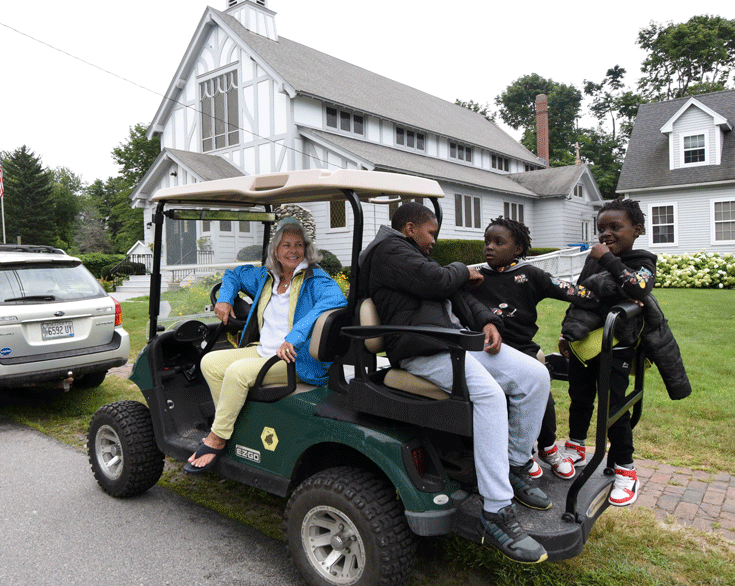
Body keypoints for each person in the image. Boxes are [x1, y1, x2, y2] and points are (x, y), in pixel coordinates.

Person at [359, 202, 551, 564]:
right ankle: (495, 509)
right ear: (412, 227)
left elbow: (456, 294)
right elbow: (441, 281)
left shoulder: (412, 252)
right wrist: (462, 269)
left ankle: (513, 463)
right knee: (490, 396)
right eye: (432, 232)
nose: (435, 240)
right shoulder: (388, 250)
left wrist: (486, 322)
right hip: (423, 348)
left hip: (456, 340)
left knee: (536, 376)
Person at [185, 217, 347, 473]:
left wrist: (294, 337)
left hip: (296, 358)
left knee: (237, 373)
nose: (293, 250)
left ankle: (217, 438)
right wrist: (226, 298)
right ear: (276, 250)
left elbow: (335, 300)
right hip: (264, 350)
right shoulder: (267, 276)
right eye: (286, 245)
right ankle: (229, 425)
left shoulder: (316, 279)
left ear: (306, 249)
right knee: (210, 362)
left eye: (298, 245)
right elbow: (234, 274)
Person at [558, 197, 689, 506]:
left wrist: (607, 260)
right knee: (579, 398)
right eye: (601, 228)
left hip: (616, 347)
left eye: (615, 227)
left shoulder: (643, 261)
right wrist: (566, 332)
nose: (606, 234)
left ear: (637, 230)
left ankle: (625, 470)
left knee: (613, 409)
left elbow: (638, 287)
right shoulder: (596, 259)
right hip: (583, 344)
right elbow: (580, 296)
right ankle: (576, 447)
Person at [476, 216, 599, 480]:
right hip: (490, 354)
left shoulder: (530, 275)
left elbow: (572, 292)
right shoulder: (475, 278)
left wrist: (610, 298)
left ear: (518, 248)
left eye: (499, 242)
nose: (490, 247)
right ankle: (522, 453)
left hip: (523, 350)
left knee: (542, 397)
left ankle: (547, 448)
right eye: (487, 241)